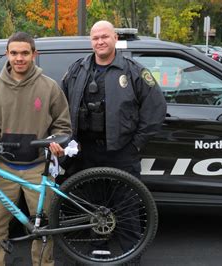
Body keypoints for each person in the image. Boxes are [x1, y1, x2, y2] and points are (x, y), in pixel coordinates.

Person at [61, 21, 167, 264]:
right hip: (85, 151)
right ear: (91, 41)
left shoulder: (132, 71)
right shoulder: (77, 70)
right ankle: (98, 249)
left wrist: (136, 144)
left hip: (122, 152)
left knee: (128, 206)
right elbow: (61, 108)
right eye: (96, 37)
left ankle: (132, 255)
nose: (100, 41)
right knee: (92, 205)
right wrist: (67, 141)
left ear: (115, 38)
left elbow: (156, 109)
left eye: (105, 37)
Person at [0, 32, 72, 266]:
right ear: (7, 54)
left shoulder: (49, 87)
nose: (19, 58)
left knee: (43, 226)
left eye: (25, 53)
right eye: (14, 53)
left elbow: (63, 124)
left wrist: (58, 143)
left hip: (38, 167)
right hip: (3, 167)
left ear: (34, 54)